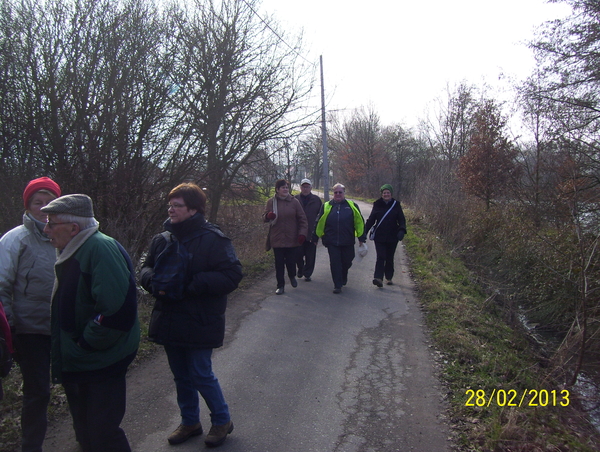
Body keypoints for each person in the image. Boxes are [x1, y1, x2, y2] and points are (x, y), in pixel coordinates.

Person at [139, 183, 243, 448]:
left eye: (177, 206)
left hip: (200, 318)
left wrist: (193, 284)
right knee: (180, 375)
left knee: (200, 373)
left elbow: (232, 275)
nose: (171, 210)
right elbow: (144, 267)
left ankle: (222, 420)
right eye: (170, 205)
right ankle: (190, 422)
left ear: (194, 209)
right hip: (170, 317)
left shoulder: (213, 239)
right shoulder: (162, 238)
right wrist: (155, 282)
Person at [41, 194, 140, 452]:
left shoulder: (99, 249)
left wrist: (84, 343)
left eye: (51, 223)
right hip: (82, 361)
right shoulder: (74, 249)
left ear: (74, 228)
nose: (46, 229)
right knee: (86, 434)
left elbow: (117, 313)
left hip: (100, 362)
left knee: (103, 436)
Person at [0, 176, 61, 452]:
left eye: (49, 202)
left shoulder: (66, 236)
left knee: (78, 386)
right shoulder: (15, 240)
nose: (44, 207)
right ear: (28, 205)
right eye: (38, 202)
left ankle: (89, 438)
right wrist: (9, 330)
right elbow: (1, 288)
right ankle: (31, 447)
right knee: (38, 393)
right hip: (28, 331)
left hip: (63, 329)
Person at [314, 183, 366, 294]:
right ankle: (337, 285)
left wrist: (362, 237)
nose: (338, 194)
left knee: (347, 261)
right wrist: (315, 237)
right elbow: (319, 222)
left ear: (344, 193)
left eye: (340, 192)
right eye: (336, 192)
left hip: (347, 240)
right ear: (333, 193)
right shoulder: (326, 206)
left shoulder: (352, 206)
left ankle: (344, 274)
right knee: (335, 262)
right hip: (331, 240)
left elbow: (359, 222)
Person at [263, 179, 308, 295]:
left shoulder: (294, 202)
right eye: (283, 187)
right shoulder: (271, 202)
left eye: (287, 187)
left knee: (291, 262)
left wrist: (302, 233)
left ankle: (292, 276)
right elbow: (264, 217)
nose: (285, 189)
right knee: (279, 263)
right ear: (277, 190)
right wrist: (268, 215)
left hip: (291, 238)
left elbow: (302, 219)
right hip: (277, 238)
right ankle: (280, 285)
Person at [364, 184, 407, 287]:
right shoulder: (377, 204)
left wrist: (402, 230)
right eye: (384, 193)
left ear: (391, 194)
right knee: (381, 256)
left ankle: (389, 277)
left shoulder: (396, 204)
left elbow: (401, 219)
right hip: (380, 236)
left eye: (388, 193)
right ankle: (378, 278)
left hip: (393, 236)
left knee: (389, 257)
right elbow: (371, 220)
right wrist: (364, 232)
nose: (386, 194)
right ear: (381, 194)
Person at [294, 178, 322, 282]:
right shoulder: (295, 199)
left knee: (310, 255)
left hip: (312, 232)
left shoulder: (316, 200)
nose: (305, 189)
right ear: (300, 187)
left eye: (307, 187)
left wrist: (320, 232)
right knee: (298, 253)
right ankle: (300, 268)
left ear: (311, 188)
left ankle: (308, 273)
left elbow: (321, 216)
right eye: (303, 187)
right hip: (298, 232)